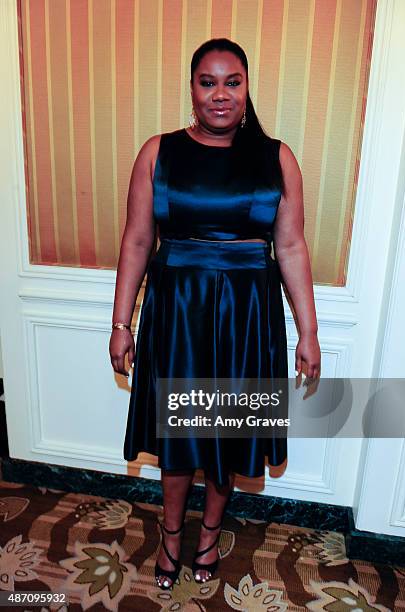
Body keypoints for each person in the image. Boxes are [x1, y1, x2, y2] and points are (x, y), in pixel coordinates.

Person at [110, 38, 320, 590]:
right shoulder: (159, 152)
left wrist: (308, 332)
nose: (220, 95)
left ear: (248, 88)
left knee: (226, 433)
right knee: (180, 439)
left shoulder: (276, 157)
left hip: (247, 317)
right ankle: (172, 535)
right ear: (192, 89)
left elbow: (292, 247)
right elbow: (136, 241)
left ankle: (209, 533)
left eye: (232, 82)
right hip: (177, 313)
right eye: (208, 82)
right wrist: (120, 323)